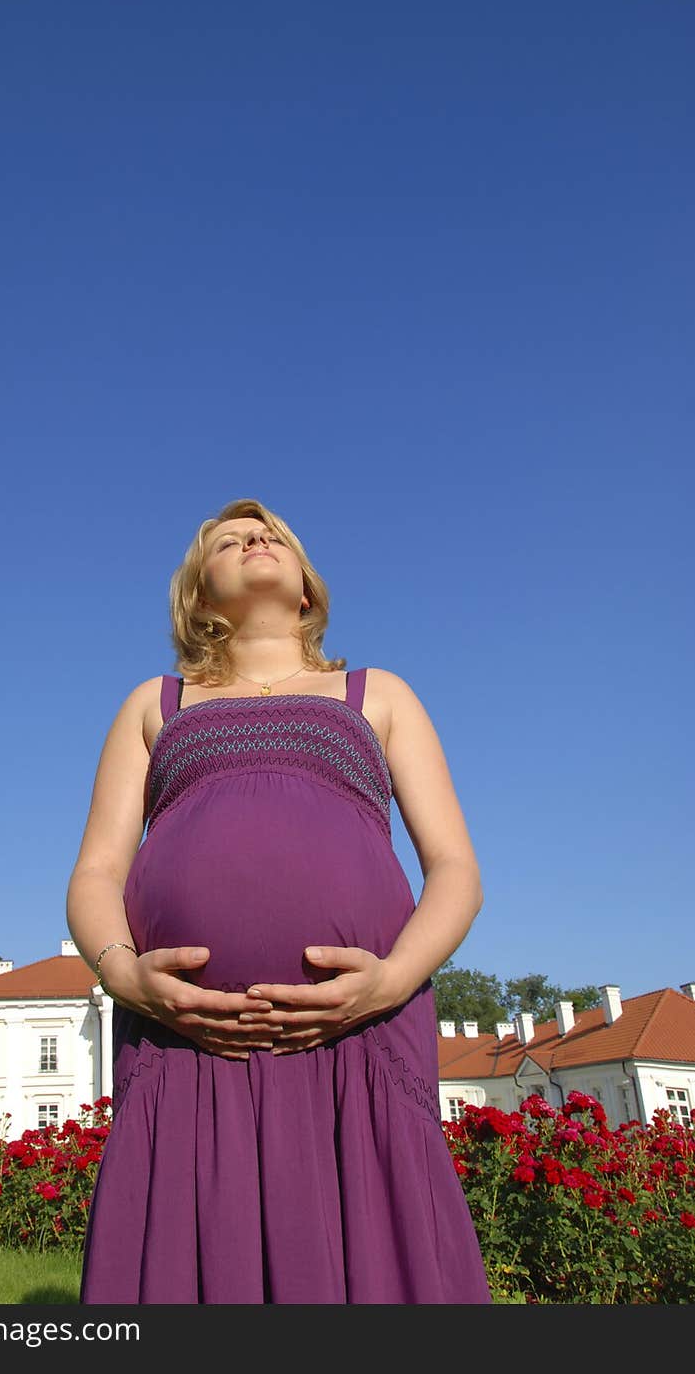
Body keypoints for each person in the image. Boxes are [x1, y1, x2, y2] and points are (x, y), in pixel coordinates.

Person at [66, 496, 492, 1304]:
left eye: (272, 536)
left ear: (305, 588)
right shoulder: (155, 704)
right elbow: (94, 873)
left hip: (360, 1033)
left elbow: (456, 868)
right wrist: (126, 977)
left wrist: (392, 980)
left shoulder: (377, 694)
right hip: (185, 1040)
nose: (255, 539)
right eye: (230, 540)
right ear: (200, 594)